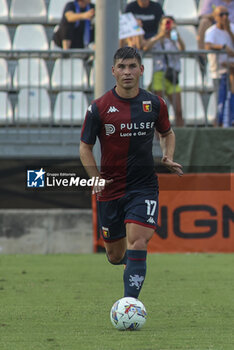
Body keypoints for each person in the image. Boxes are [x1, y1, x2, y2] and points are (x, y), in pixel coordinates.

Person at [79, 47, 183, 300]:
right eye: (122, 67)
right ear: (113, 71)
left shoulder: (155, 104)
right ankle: (132, 264)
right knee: (115, 255)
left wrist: (167, 154)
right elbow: (85, 147)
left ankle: (130, 304)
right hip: (111, 188)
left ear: (141, 70)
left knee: (138, 241)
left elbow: (167, 133)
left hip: (143, 186)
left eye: (132, 66)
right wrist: (95, 177)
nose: (127, 72)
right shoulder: (99, 107)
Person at [143, 16, 185, 127]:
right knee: (159, 110)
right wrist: (160, 35)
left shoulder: (174, 39)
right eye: (166, 24)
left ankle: (181, 137)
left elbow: (182, 49)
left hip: (172, 75)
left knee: (179, 110)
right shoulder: (156, 39)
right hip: (159, 75)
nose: (168, 26)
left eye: (170, 24)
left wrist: (176, 34)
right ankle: (157, 141)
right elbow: (146, 47)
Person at [204, 5, 234, 126]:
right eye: (222, 14)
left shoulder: (231, 28)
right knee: (220, 103)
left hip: (231, 70)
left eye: (227, 14)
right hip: (219, 72)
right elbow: (207, 46)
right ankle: (219, 126)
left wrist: (229, 31)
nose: (225, 17)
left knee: (230, 100)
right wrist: (222, 47)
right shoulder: (211, 31)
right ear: (215, 17)